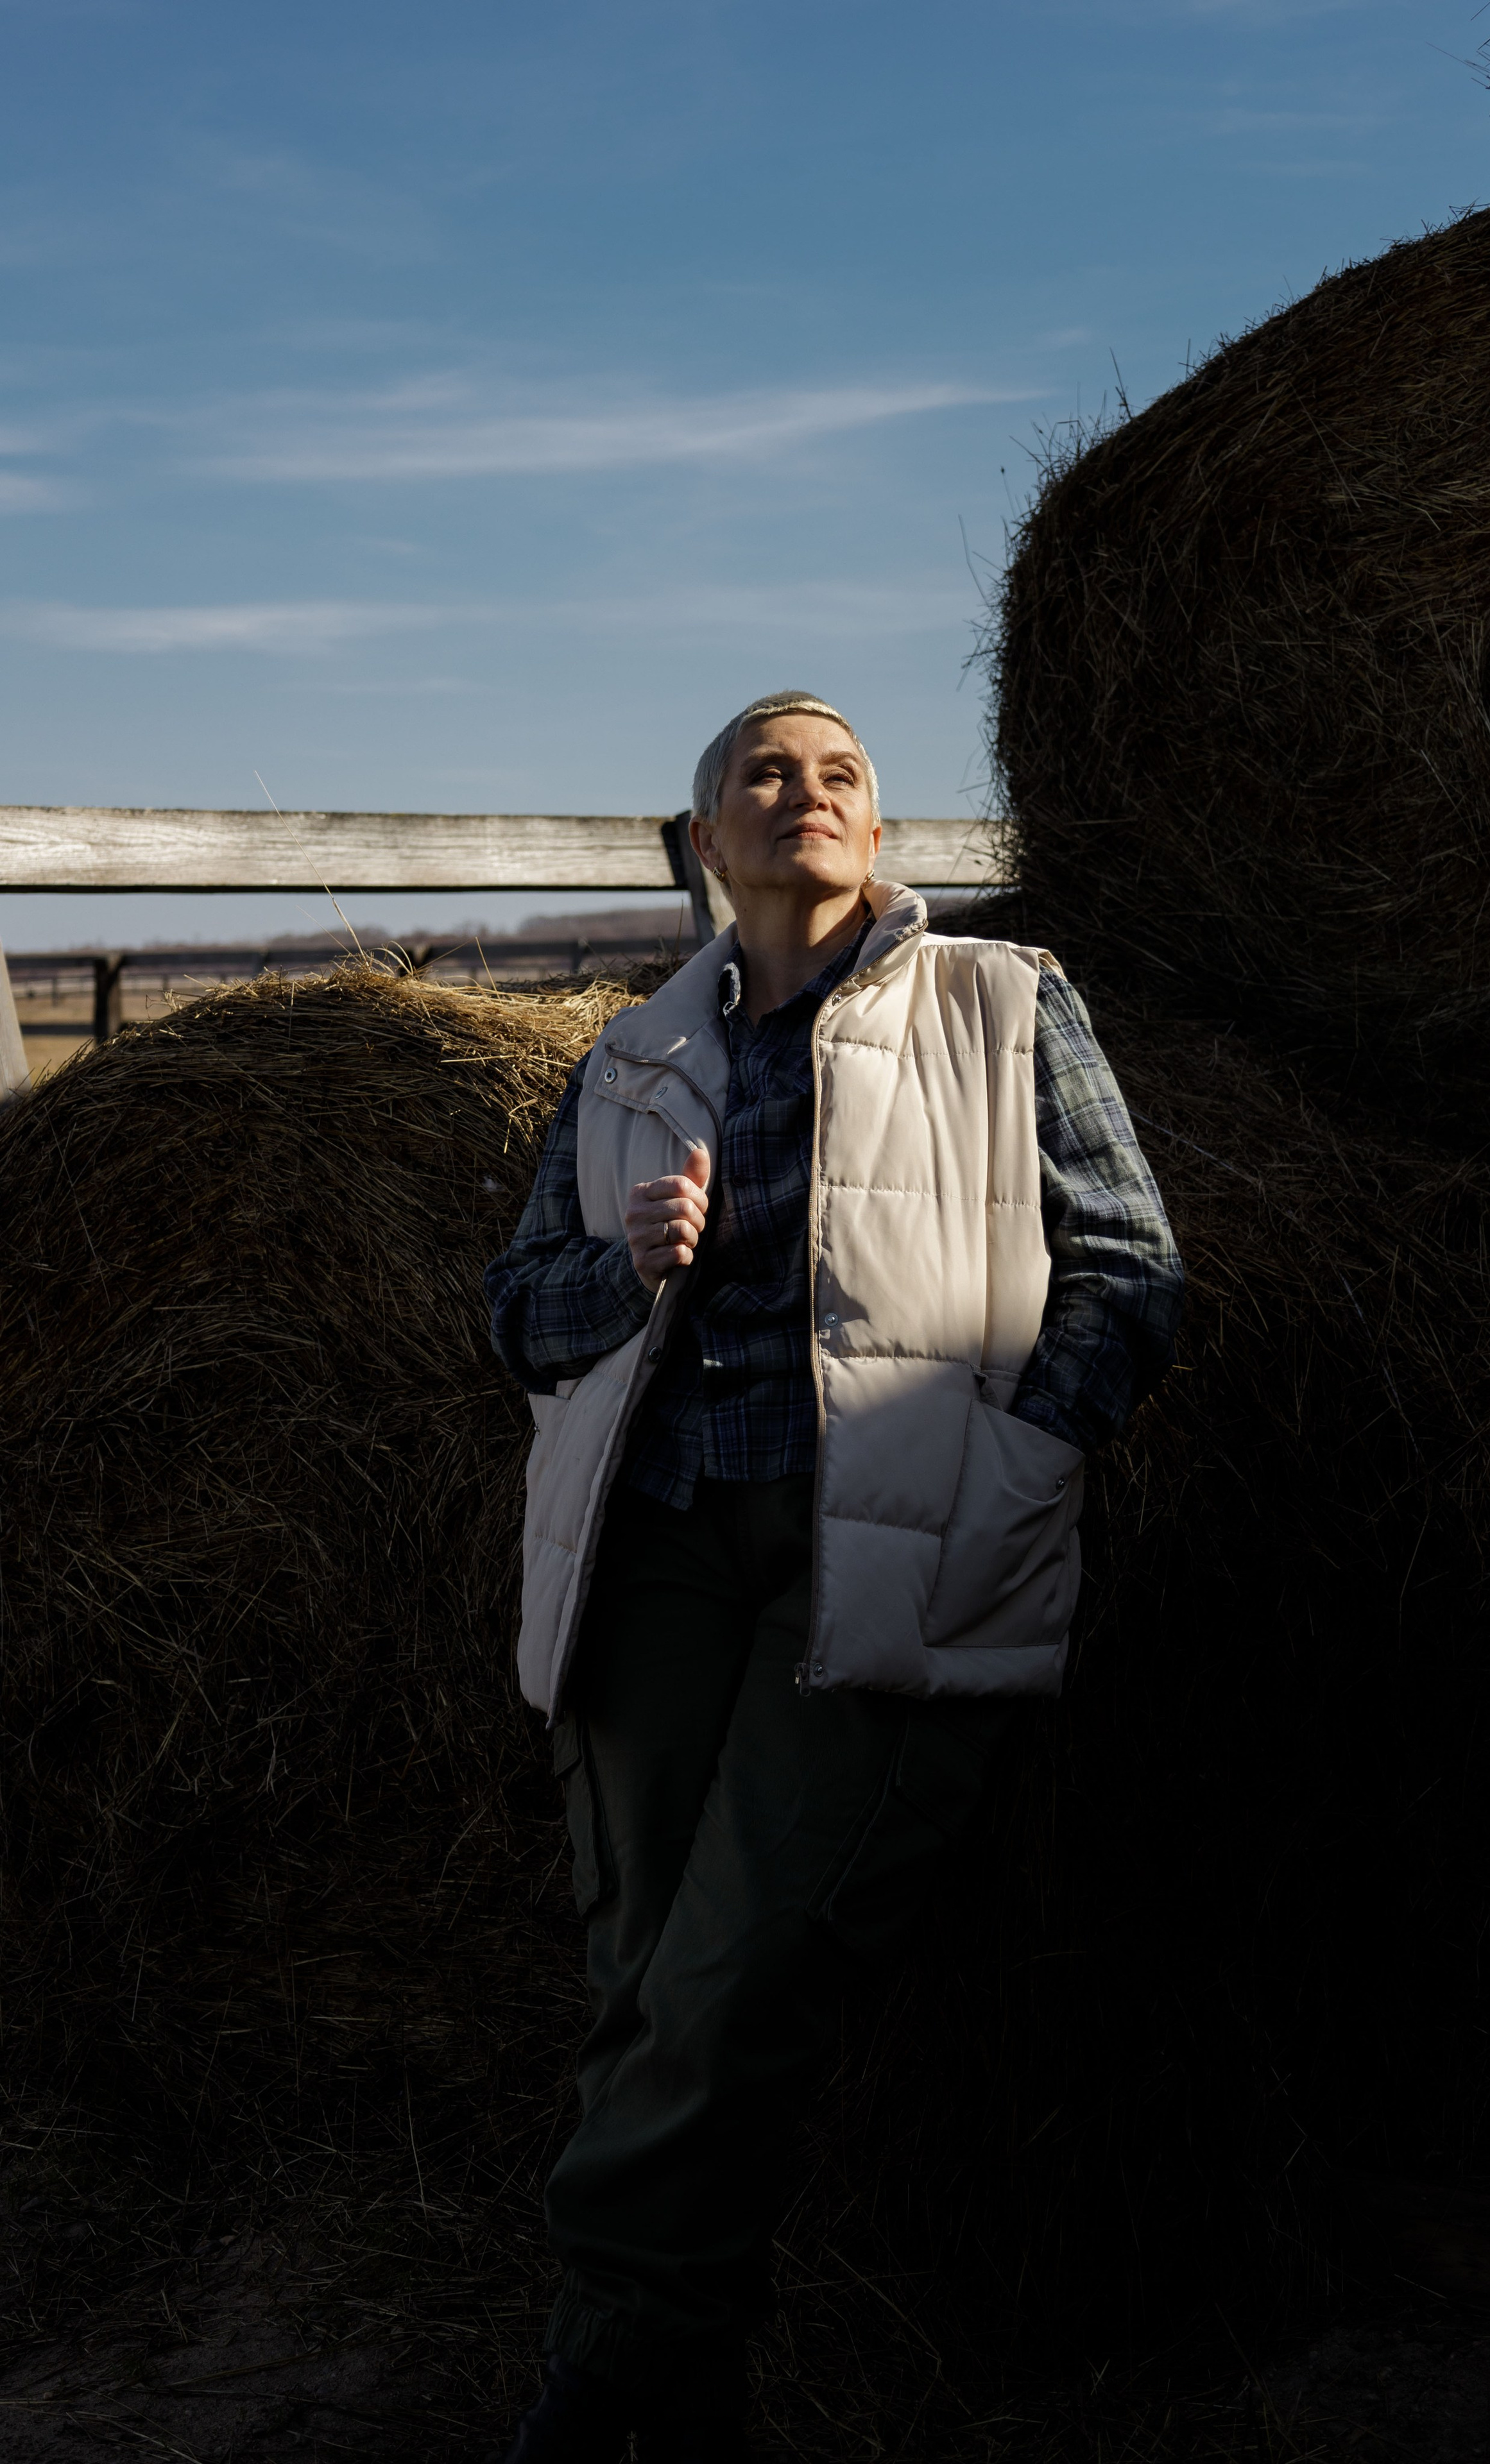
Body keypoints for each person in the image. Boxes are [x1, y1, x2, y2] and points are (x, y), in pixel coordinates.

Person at [483, 690, 1184, 2461]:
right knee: (647, 1976)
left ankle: (586, 2381)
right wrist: (631, 1271)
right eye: (762, 773)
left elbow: (1128, 1265)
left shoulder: (1002, 1004)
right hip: (652, 1554)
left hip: (868, 1545)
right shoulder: (631, 1058)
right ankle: (685, 2397)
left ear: (878, 839)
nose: (804, 792)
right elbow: (519, 1315)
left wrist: (1012, 1461)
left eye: (840, 774)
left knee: (735, 1973)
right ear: (711, 840)